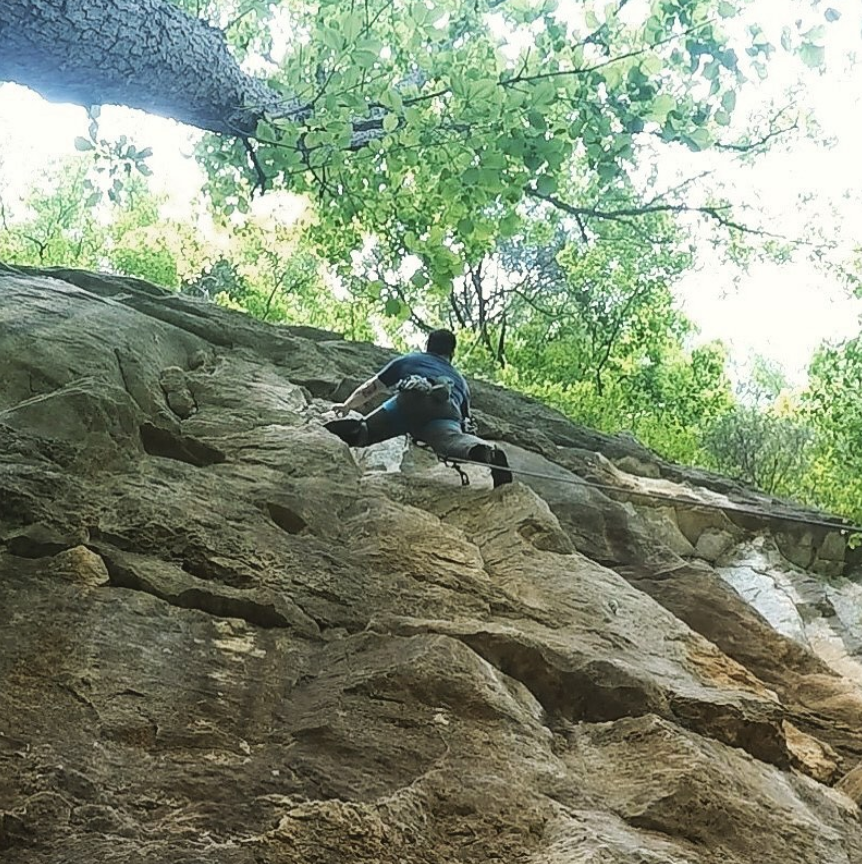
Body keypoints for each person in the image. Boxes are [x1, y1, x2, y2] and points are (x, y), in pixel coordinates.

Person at [324, 329, 512, 488]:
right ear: (451, 353)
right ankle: (486, 452)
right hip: (444, 412)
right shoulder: (460, 380)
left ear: (427, 345)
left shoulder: (410, 359)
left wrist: (347, 405)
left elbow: (371, 388)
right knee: (454, 442)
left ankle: (326, 435)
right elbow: (465, 422)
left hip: (412, 400)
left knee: (365, 431)